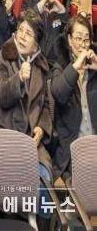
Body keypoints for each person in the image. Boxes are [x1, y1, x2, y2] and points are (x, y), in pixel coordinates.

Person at [0, 9, 54, 180]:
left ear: (36, 43)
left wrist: (41, 128)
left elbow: (45, 105)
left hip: (31, 138)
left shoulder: (41, 65)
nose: (22, 37)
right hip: (7, 133)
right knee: (17, 178)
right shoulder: (6, 54)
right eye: (20, 30)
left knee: (43, 178)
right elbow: (2, 97)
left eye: (29, 33)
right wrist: (18, 78)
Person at [51, 15, 97, 179]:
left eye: (86, 39)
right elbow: (58, 93)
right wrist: (76, 66)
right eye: (78, 38)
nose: (83, 44)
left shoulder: (94, 66)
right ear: (69, 40)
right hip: (72, 150)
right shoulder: (61, 66)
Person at [21, 0, 68, 66]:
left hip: (55, 65)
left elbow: (68, 32)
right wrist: (40, 6)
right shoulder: (27, 3)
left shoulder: (57, 5)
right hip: (33, 62)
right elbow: (25, 25)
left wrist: (62, 12)